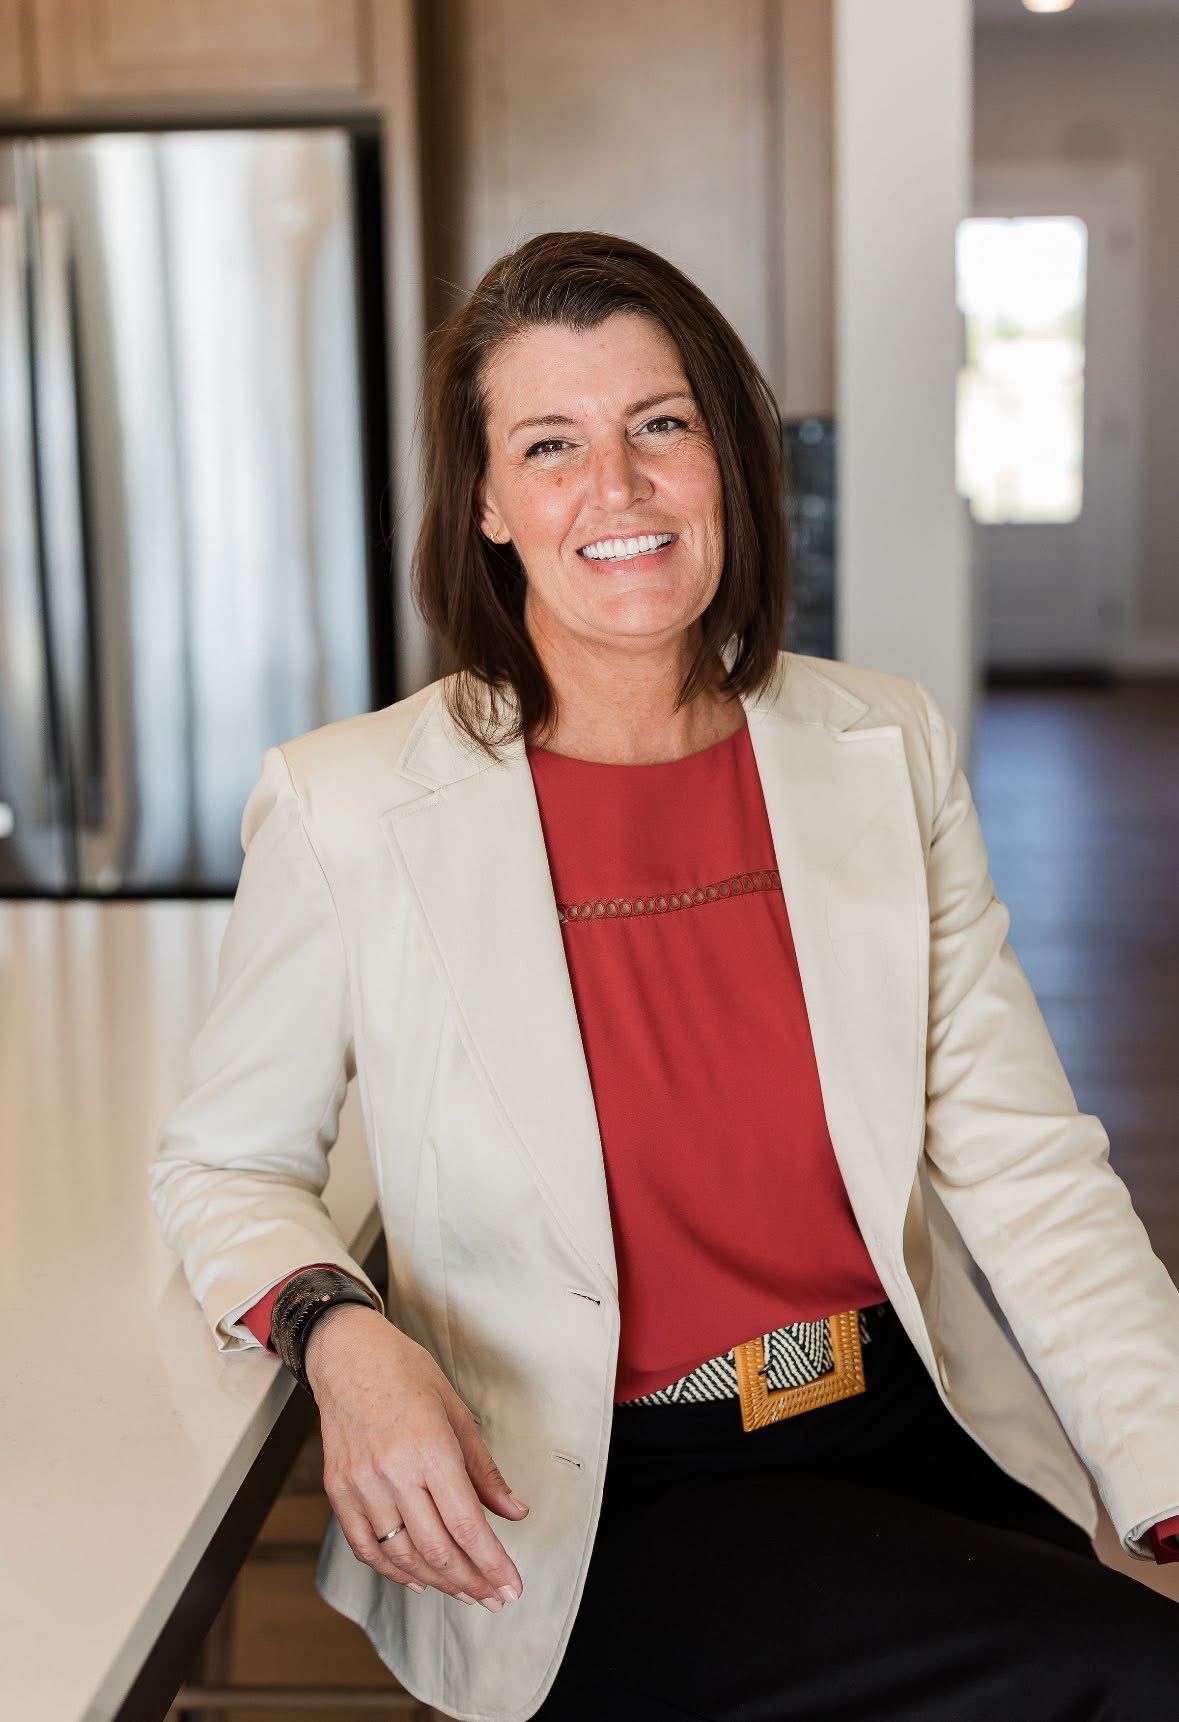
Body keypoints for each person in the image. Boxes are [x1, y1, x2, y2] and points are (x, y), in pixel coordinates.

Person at [148, 230, 1179, 1722]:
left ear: (725, 461)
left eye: (661, 426)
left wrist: (1163, 1475)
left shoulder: (877, 744)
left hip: (907, 1418)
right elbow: (224, 1161)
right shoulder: (349, 804)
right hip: (606, 1490)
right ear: (490, 501)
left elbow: (1027, 1162)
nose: (618, 490)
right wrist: (343, 1337)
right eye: (552, 444)